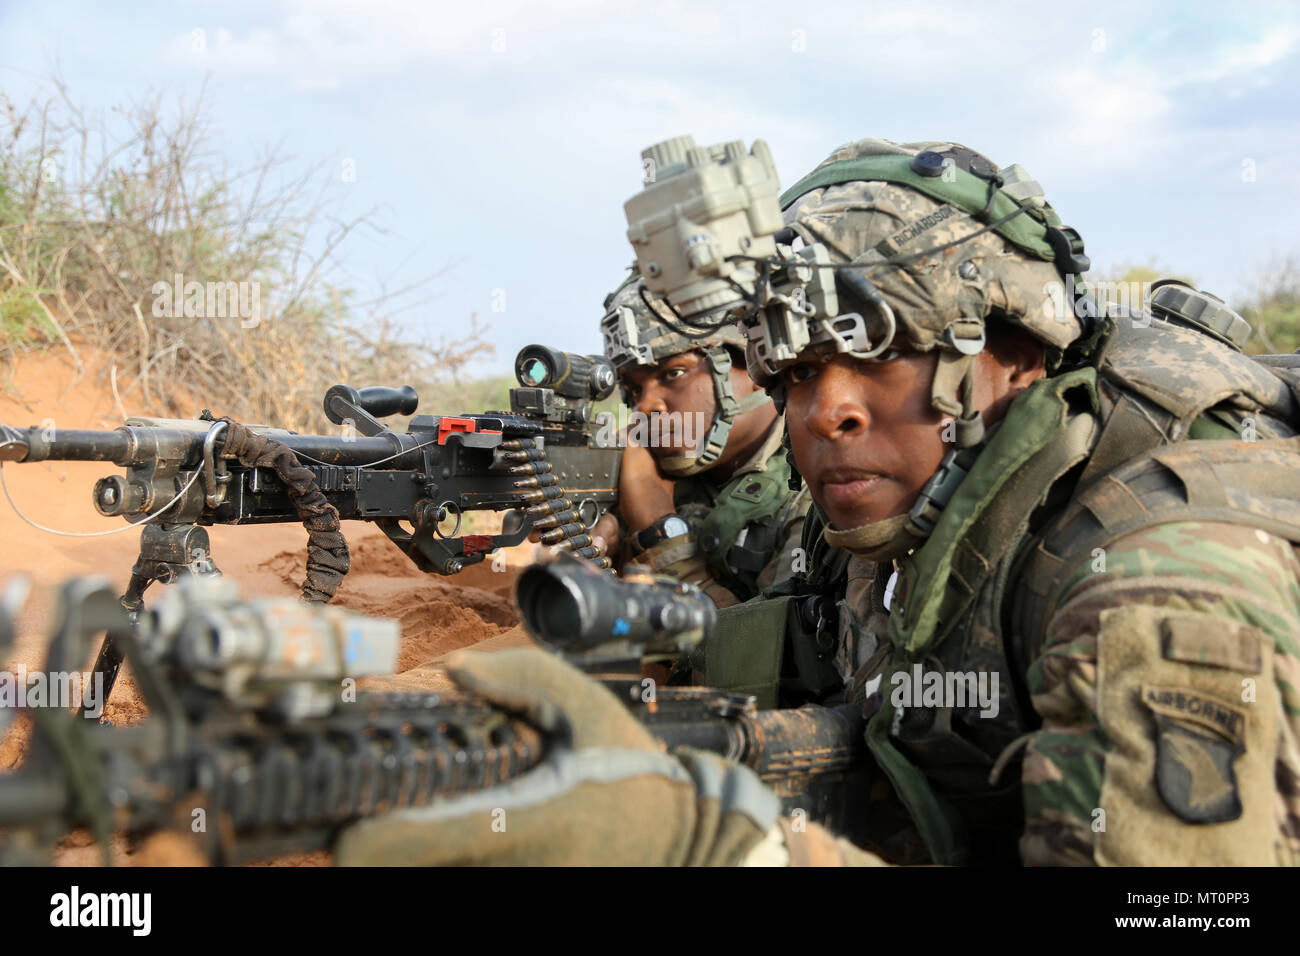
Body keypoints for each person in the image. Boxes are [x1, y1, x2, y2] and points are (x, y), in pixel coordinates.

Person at [336, 138, 1300, 867]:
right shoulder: (911, 518)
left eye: (879, 352)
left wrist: (737, 846)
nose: (826, 410)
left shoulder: (1161, 586)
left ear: (1013, 353)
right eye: (796, 370)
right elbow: (808, 659)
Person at [590, 273, 810, 607]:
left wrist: (658, 532)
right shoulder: (655, 473)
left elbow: (760, 656)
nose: (645, 406)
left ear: (755, 365)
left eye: (673, 373)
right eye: (635, 390)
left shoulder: (814, 488)